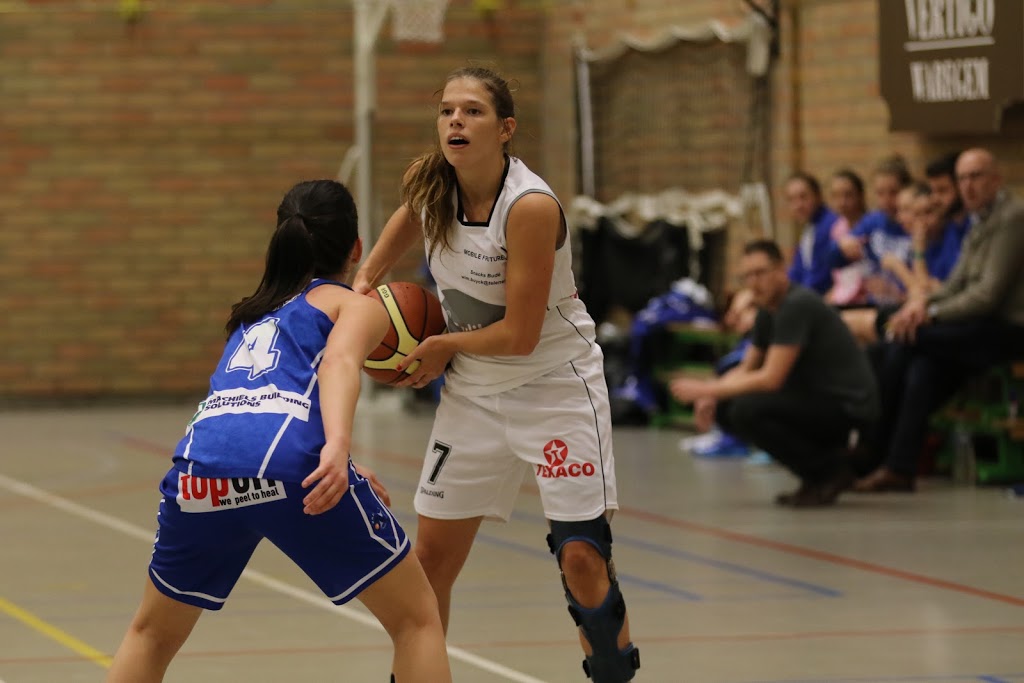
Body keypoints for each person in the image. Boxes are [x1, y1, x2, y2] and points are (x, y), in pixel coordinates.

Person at [352, 66, 640, 682]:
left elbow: (519, 335)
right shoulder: (434, 182)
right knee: (427, 564)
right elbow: (410, 214)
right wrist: (366, 278)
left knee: (583, 558)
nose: (456, 120)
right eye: (447, 110)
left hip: (555, 384)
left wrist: (438, 345)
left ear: (505, 129)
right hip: (474, 396)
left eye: (473, 111)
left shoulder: (530, 206)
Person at [106, 180, 452, 683]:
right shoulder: (353, 305)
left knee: (150, 635)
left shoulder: (254, 313)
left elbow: (260, 407)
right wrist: (337, 447)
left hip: (199, 474)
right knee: (417, 620)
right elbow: (338, 361)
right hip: (294, 473)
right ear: (355, 249)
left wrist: (345, 462)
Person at [854, 148, 1024, 492]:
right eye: (962, 178)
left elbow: (987, 297)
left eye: (976, 177)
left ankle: (869, 452)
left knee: (899, 338)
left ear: (996, 179)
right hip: (974, 327)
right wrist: (920, 306)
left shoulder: (1012, 217)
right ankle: (898, 467)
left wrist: (928, 314)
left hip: (1008, 329)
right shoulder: (981, 220)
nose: (968, 186)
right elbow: (956, 283)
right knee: (918, 367)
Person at [670, 240, 879, 507]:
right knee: (728, 408)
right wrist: (713, 394)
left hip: (849, 411)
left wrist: (706, 390)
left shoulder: (796, 305)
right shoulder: (768, 311)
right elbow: (748, 367)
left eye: (761, 273)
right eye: (747, 276)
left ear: (781, 270)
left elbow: (771, 378)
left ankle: (830, 471)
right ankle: (815, 476)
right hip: (816, 401)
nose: (754, 282)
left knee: (747, 411)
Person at [829, 155, 913, 306]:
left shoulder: (915, 225)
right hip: (875, 303)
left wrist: (895, 288)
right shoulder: (874, 221)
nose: (886, 200)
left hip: (905, 303)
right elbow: (832, 258)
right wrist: (842, 246)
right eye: (880, 193)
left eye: (893, 193)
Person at [784, 171, 839, 295]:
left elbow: (820, 277)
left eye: (803, 197)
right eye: (791, 200)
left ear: (818, 196)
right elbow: (797, 271)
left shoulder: (830, 225)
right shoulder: (809, 228)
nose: (798, 205)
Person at [826, 169, 869, 306]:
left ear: (860, 196)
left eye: (848, 195)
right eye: (836, 196)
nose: (842, 202)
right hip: (841, 297)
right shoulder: (836, 228)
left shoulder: (872, 225)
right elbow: (839, 278)